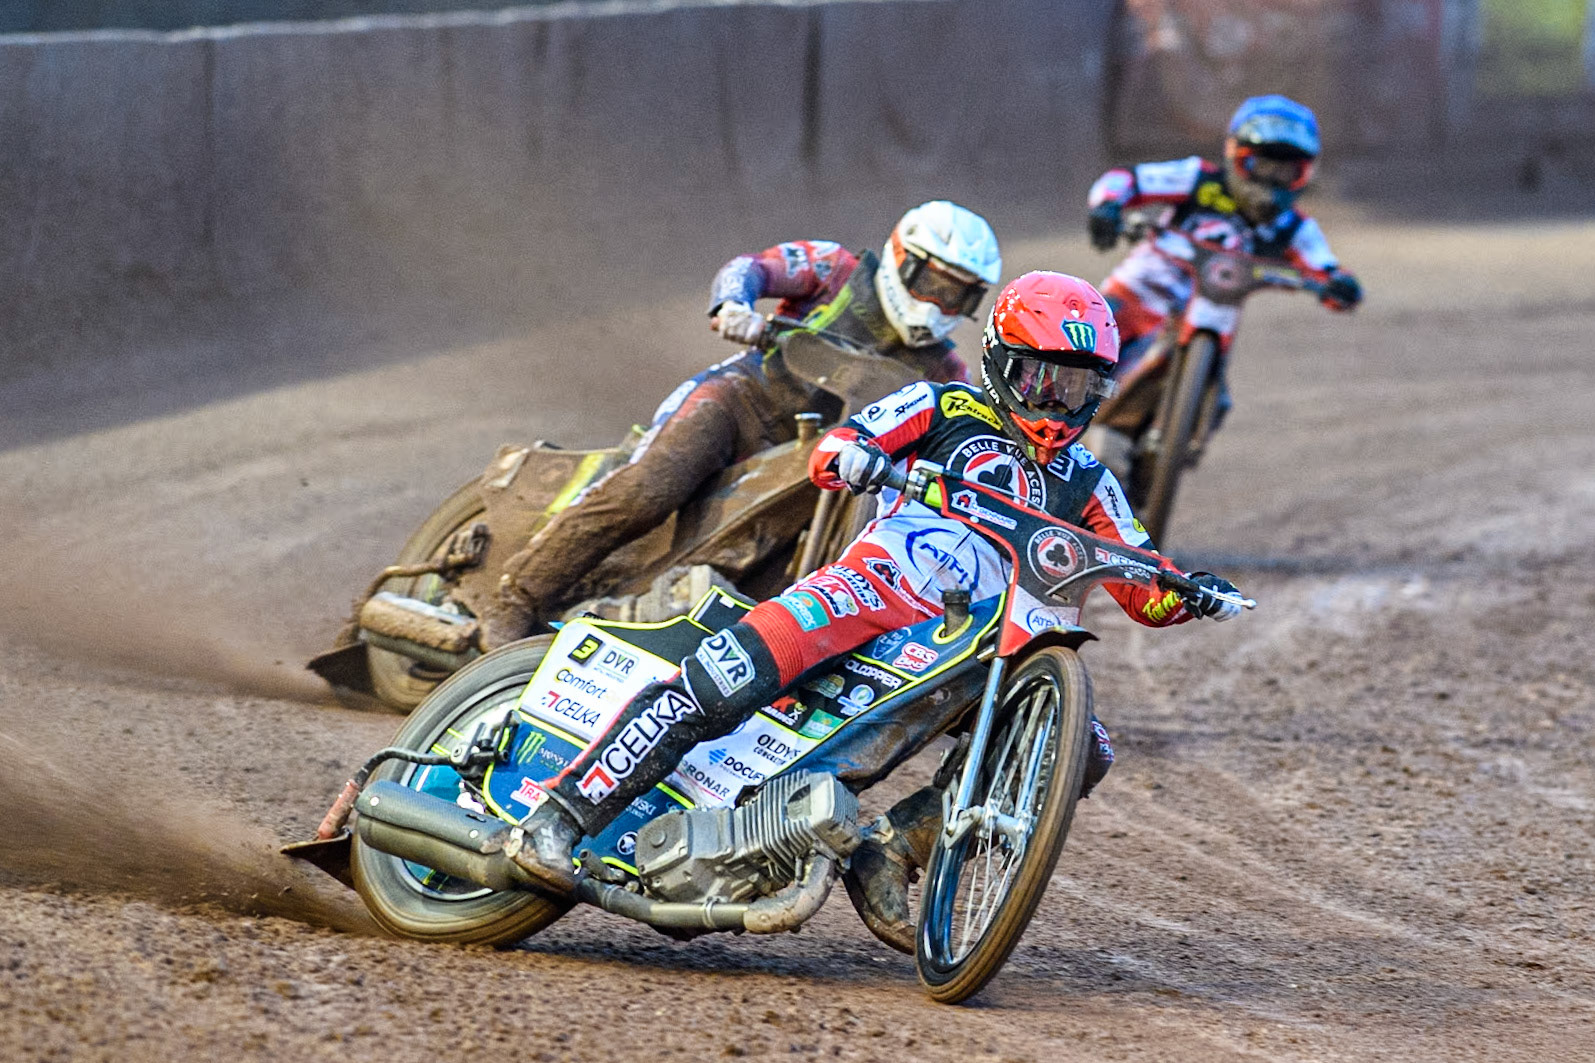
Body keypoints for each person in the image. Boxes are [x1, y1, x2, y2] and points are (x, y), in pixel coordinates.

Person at [504, 272, 1244, 952]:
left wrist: (1189, 592)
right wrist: (855, 455)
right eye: (1038, 378)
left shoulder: (1090, 480)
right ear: (997, 361)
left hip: (973, 646)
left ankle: (895, 846)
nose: (1054, 401)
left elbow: (1143, 584)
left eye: (1075, 387)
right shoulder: (945, 405)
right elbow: (843, 445)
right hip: (871, 589)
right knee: (722, 678)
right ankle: (559, 816)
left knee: (1081, 747)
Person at [476, 201, 1003, 649]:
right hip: (738, 405)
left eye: (959, 295)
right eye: (934, 283)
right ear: (904, 259)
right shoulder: (836, 269)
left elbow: (969, 428)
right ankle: (517, 596)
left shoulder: (944, 371)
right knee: (650, 488)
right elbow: (750, 267)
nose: (941, 304)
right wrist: (735, 305)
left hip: (821, 470)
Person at [1084, 94, 1361, 455]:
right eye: (1261, 166)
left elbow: (1324, 265)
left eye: (1285, 171)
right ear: (1235, 154)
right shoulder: (1197, 179)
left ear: (1303, 175)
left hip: (1210, 318)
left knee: (1216, 405)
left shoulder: (1293, 226)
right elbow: (1129, 179)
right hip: (1143, 292)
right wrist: (1107, 206)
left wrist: (1339, 285)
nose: (1271, 181)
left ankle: (1153, 461)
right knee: (1078, 342)